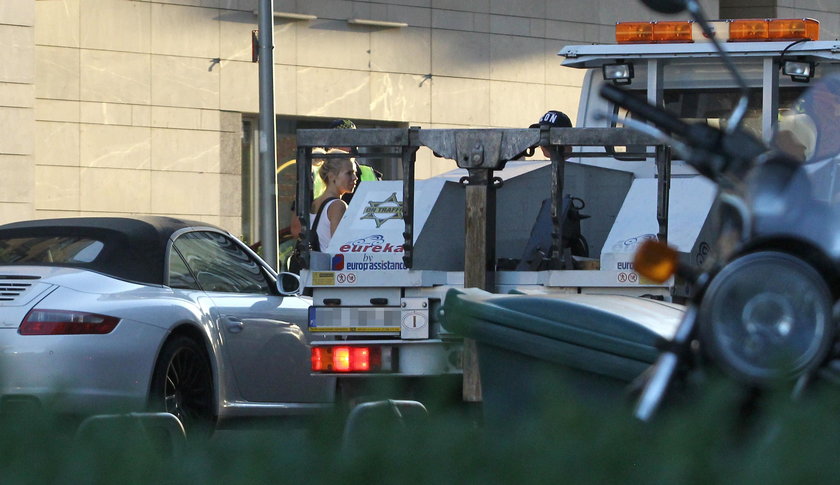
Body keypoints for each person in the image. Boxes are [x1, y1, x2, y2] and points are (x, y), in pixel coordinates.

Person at [309, 151, 358, 251]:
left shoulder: (315, 203)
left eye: (354, 173)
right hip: (330, 265)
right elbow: (340, 248)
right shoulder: (337, 206)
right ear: (332, 176)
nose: (355, 178)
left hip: (317, 264)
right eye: (349, 173)